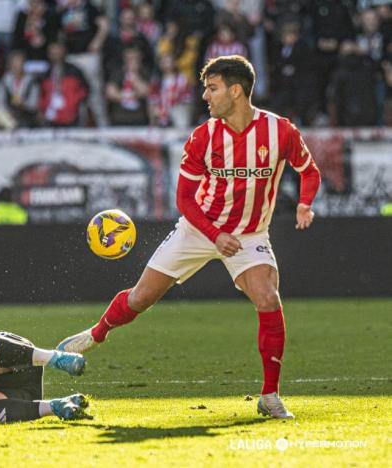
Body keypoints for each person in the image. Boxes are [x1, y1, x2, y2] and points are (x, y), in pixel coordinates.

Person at [57, 55, 322, 420]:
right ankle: (97, 334)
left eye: (212, 88)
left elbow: (309, 171)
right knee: (140, 298)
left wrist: (305, 204)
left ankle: (270, 395)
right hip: (200, 228)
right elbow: (184, 198)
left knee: (267, 296)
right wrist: (215, 235)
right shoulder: (203, 136)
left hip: (248, 234)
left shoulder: (280, 131)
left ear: (236, 90)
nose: (205, 96)